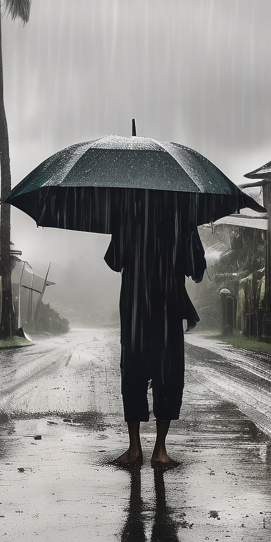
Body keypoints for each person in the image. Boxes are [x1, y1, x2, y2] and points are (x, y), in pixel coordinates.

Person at [104, 196, 206, 466]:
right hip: (167, 309)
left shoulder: (129, 213)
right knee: (168, 376)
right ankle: (160, 450)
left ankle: (134, 448)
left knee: (133, 374)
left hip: (136, 308)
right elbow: (196, 270)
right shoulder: (182, 217)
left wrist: (123, 226)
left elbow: (114, 261)